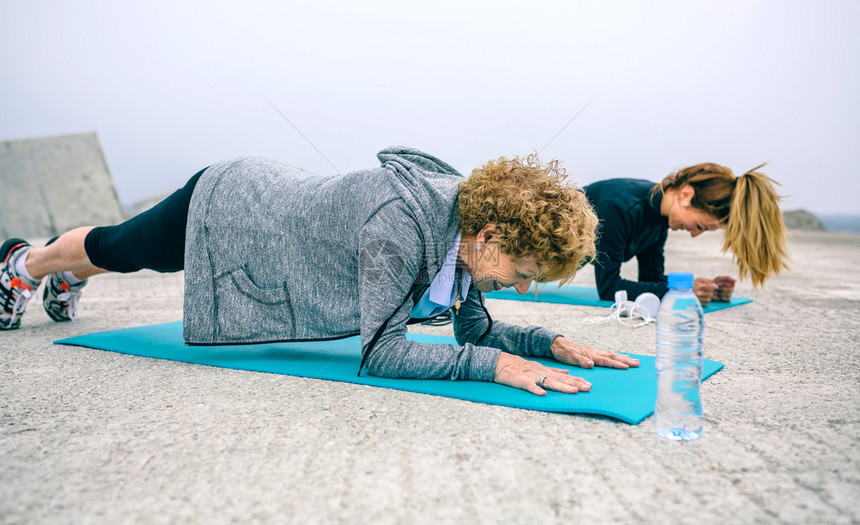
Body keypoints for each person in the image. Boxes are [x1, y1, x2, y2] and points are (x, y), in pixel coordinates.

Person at [1, 147, 639, 395]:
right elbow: (382, 353)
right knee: (122, 249)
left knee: (119, 257)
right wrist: (493, 366)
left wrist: (544, 343)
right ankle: (26, 263)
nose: (523, 287)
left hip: (277, 222)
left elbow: (472, 331)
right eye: (525, 272)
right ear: (493, 234)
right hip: (232, 205)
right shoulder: (400, 225)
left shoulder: (467, 243)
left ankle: (64, 275)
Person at [584, 163, 789, 306]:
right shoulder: (619, 207)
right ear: (686, 195)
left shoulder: (659, 219)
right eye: (700, 225)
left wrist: (701, 289)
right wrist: (682, 293)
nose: (694, 234)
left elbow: (650, 278)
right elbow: (609, 289)